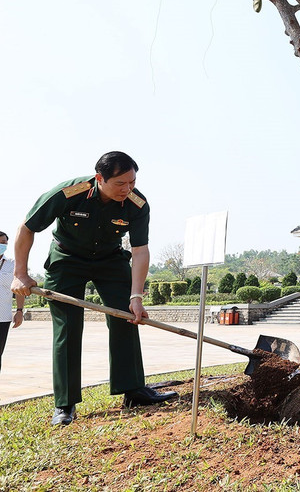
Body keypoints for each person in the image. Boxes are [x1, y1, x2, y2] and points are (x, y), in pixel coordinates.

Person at [10, 152, 176, 426]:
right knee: (68, 327)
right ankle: (65, 404)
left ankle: (133, 390)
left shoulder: (137, 204)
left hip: (110, 260)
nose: (127, 189)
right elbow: (26, 228)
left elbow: (140, 249)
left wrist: (136, 296)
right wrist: (20, 274)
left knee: (126, 317)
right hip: (67, 259)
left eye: (132, 182)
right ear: (99, 178)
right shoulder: (69, 193)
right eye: (120, 183)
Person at [0, 230, 26, 374]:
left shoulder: (12, 264)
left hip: (2, 317)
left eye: (4, 243)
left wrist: (19, 311)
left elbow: (19, 289)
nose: (2, 245)